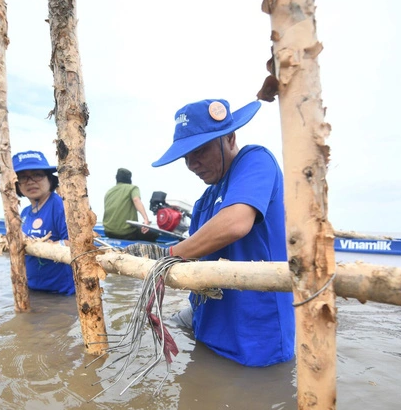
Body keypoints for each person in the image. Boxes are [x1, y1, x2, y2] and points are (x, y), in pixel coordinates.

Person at [125, 98, 294, 368]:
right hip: (207, 331)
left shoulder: (256, 160)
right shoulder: (205, 200)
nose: (193, 164)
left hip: (255, 340)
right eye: (186, 157)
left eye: (200, 151)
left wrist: (165, 254)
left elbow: (236, 222)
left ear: (229, 138)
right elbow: (194, 259)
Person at [13, 150, 75, 295]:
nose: (30, 181)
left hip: (61, 294)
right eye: (23, 177)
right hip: (33, 290)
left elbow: (76, 243)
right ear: (17, 185)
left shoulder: (60, 205)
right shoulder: (24, 213)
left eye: (37, 175)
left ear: (49, 178)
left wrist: (46, 246)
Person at [102, 168, 158, 241]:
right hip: (127, 233)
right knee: (154, 235)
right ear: (129, 179)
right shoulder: (132, 188)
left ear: (117, 178)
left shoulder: (109, 192)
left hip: (108, 232)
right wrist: (146, 219)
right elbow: (136, 199)